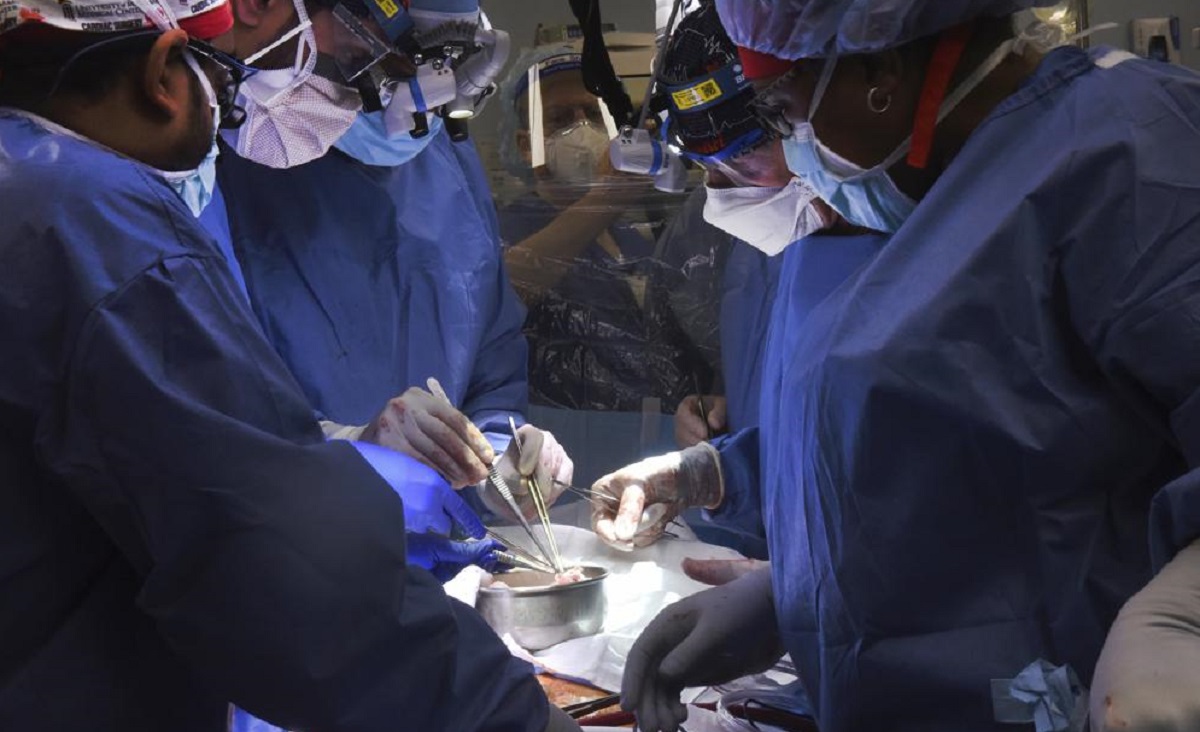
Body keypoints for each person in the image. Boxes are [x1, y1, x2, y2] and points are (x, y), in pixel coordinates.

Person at [598, 0, 1200, 729]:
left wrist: (1181, 616)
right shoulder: (917, 197)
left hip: (1068, 695)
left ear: (879, 69)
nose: (793, 155)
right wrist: (794, 592)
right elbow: (927, 441)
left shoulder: (1130, 151)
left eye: (783, 112)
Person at [0, 1, 575, 729]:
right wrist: (513, 715)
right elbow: (273, 561)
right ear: (162, 74)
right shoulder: (96, 226)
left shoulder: (28, 185)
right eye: (223, 85)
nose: (232, 120)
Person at [205, 0, 573, 519]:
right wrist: (347, 446)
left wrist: (499, 459)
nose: (405, 103)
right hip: (279, 531)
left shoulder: (441, 154)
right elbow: (199, 404)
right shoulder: (215, 167)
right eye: (378, 60)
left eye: (423, 71)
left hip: (424, 548)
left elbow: (491, 363)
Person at [497, 45, 712, 419]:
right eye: (560, 119)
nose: (583, 129)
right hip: (562, 436)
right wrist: (605, 199)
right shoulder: (507, 227)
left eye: (594, 114)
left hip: (657, 431)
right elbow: (497, 298)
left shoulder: (631, 234)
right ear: (526, 146)